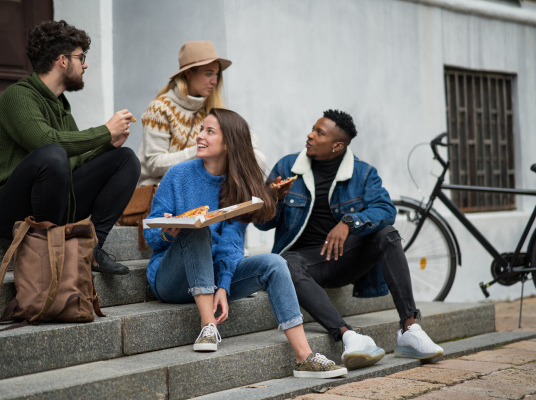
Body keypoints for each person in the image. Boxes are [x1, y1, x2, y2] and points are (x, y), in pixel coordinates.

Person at [143, 108, 347, 378]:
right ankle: (208, 327)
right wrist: (169, 231)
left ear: (228, 142)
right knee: (197, 227)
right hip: (170, 279)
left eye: (209, 131)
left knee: (274, 263)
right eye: (201, 129)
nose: (199, 136)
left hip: (215, 276)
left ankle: (304, 356)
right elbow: (149, 235)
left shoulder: (239, 185)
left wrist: (224, 286)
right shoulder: (178, 175)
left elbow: (231, 244)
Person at [255, 109, 444, 370]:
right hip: (304, 263)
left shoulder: (363, 174)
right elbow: (262, 225)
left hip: (346, 258)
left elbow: (386, 210)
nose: (309, 135)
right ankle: (350, 336)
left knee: (387, 234)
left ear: (337, 145)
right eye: (312, 129)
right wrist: (272, 200)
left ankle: (409, 329)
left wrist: (348, 223)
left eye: (319, 133)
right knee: (284, 263)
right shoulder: (287, 167)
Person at [0, 20, 140, 275]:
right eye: (80, 57)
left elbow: (72, 162)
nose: (84, 64)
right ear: (63, 60)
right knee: (52, 153)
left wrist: (106, 144)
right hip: (2, 210)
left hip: (49, 201)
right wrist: (104, 131)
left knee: (125, 158)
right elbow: (46, 144)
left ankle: (93, 248)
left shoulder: (61, 107)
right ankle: (48, 255)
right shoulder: (18, 96)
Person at [137, 40, 265, 187]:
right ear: (188, 73)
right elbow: (154, 164)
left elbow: (248, 139)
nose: (215, 82)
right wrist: (201, 148)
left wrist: (238, 140)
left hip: (199, 185)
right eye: (209, 74)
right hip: (161, 188)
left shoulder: (212, 107)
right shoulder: (159, 108)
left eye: (217, 75)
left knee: (257, 157)